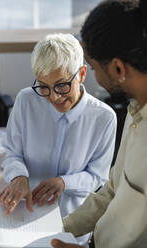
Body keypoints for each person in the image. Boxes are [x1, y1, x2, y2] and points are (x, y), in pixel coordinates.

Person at [0, 33, 116, 243]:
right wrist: (18, 177)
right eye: (43, 86)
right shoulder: (26, 100)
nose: (53, 97)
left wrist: (64, 182)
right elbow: (12, 153)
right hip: (25, 216)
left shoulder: (104, 118)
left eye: (61, 85)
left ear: (81, 74)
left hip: (74, 222)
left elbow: (99, 177)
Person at [51, 0, 147, 247]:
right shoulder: (135, 110)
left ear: (117, 68)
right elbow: (113, 188)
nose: (92, 78)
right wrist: (61, 229)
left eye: (92, 68)